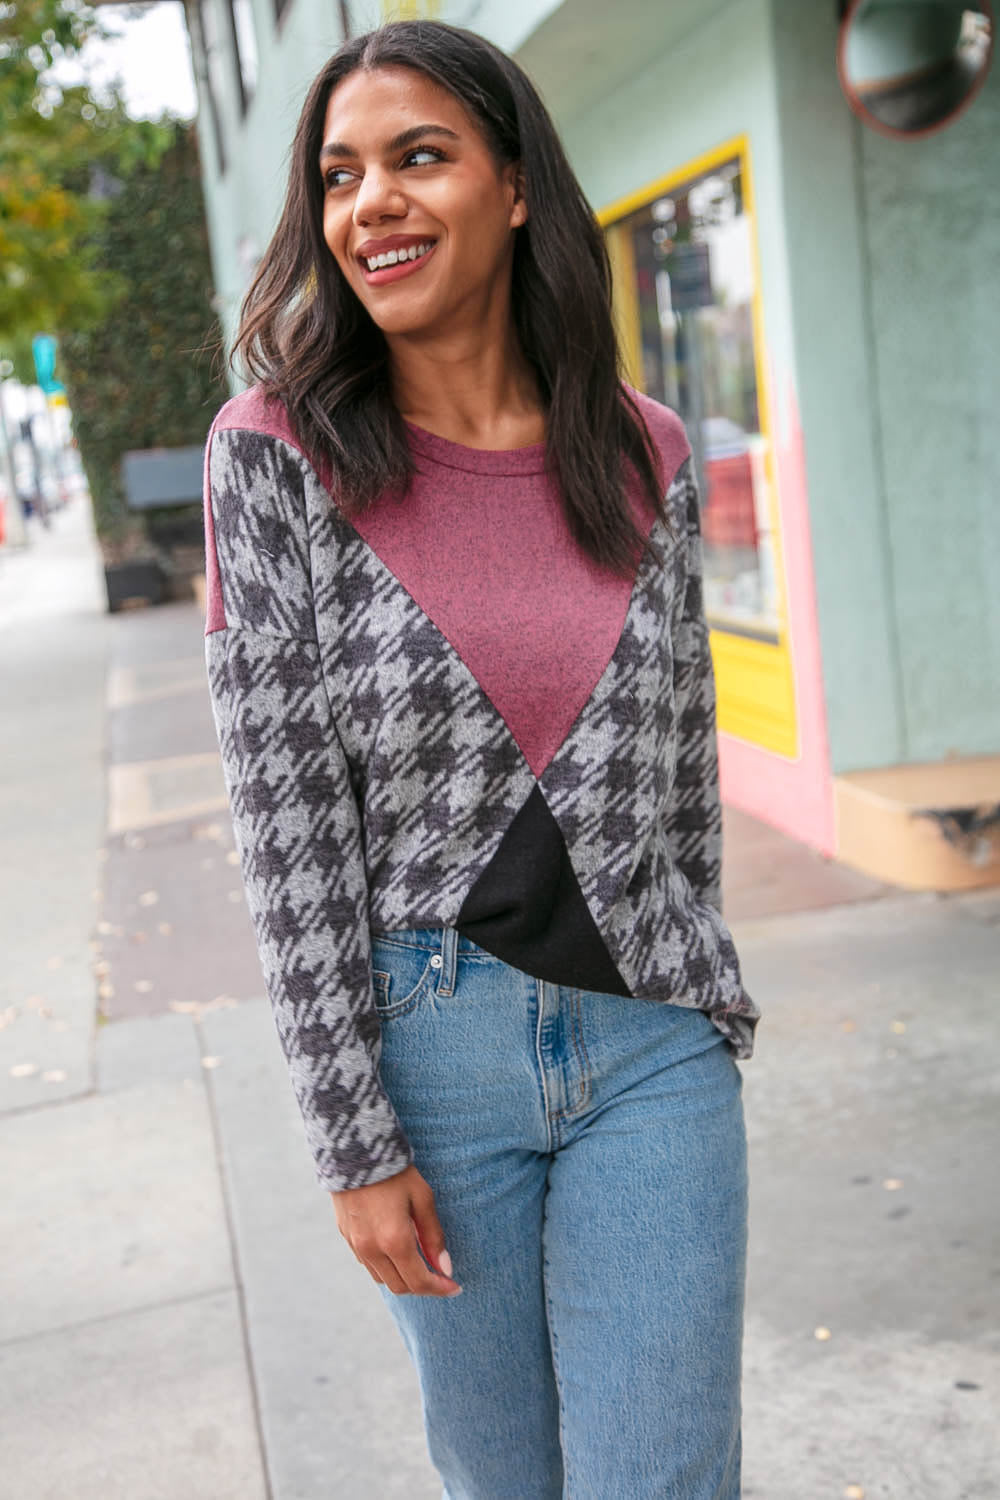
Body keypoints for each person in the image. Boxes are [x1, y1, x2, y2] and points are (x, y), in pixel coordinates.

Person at [202, 19, 760, 1498]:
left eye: (418, 157)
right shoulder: (275, 456)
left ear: (515, 187)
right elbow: (287, 828)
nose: (370, 200)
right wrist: (347, 1138)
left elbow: (681, 780)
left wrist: (708, 1001)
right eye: (339, 174)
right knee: (503, 1480)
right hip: (429, 1061)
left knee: (669, 1480)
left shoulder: (645, 452)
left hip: (653, 1047)